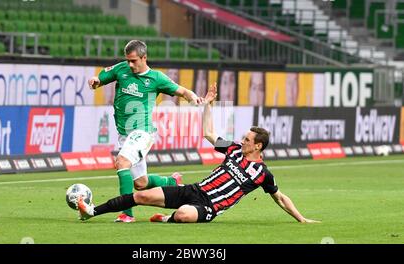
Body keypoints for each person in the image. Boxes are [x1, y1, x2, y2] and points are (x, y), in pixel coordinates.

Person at [77, 83, 320, 224]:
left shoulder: (262, 174)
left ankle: (166, 219)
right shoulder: (233, 150)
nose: (242, 141)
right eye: (244, 138)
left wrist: (301, 218)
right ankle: (91, 211)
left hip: (209, 207)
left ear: (258, 146)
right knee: (141, 196)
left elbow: (280, 197)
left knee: (182, 215)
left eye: (247, 140)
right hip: (193, 190)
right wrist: (208, 106)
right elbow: (209, 134)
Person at [88, 40, 204, 222]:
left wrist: (195, 98)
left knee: (122, 163)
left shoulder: (157, 78)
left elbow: (182, 91)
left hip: (142, 133)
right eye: (128, 60)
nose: (130, 64)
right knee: (140, 183)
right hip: (124, 135)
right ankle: (170, 182)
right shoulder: (121, 69)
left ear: (144, 57)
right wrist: (96, 81)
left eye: (134, 61)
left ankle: (127, 214)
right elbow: (102, 76)